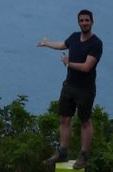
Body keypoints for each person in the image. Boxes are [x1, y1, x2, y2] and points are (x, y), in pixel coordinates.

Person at [37, 9, 102, 169]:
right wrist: (47, 43)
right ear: (78, 22)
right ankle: (63, 152)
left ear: (92, 22)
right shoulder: (74, 37)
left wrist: (69, 63)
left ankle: (83, 156)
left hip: (85, 89)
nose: (84, 23)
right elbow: (62, 45)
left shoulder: (96, 43)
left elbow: (87, 67)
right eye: (82, 20)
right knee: (64, 119)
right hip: (69, 86)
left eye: (87, 20)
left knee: (85, 122)